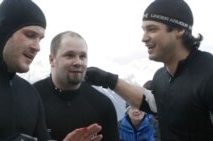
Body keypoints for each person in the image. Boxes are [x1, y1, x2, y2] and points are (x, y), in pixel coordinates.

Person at [0, 0, 102, 141]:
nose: (37, 47)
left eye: (40, 39)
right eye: (30, 35)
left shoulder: (30, 94)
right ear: (3, 30)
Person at [85, 0, 213, 140]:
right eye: (144, 30)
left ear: (179, 30)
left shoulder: (208, 72)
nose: (144, 38)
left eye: (152, 29)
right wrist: (108, 79)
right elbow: (152, 103)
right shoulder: (161, 77)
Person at [33, 31, 119, 141]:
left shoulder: (103, 104)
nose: (78, 62)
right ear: (52, 60)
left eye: (82, 56)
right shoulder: (31, 99)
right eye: (70, 55)